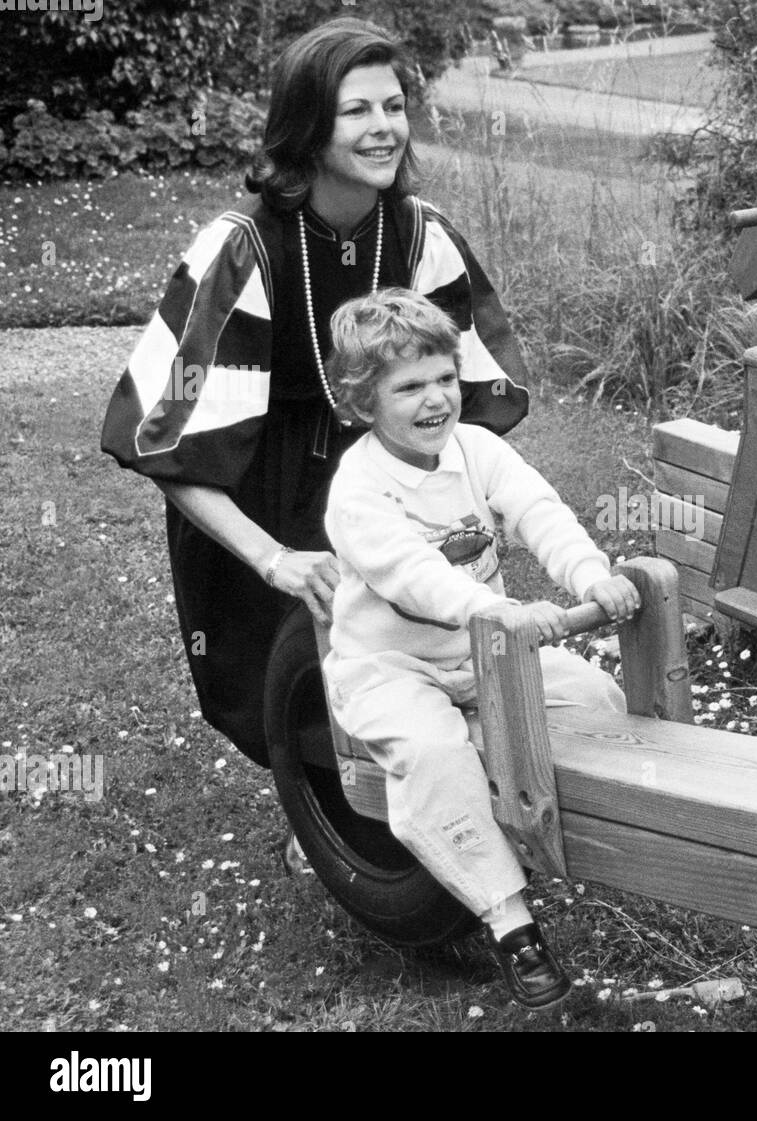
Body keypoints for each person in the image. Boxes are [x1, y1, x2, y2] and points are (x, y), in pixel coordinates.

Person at [100, 17, 530, 871]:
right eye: (355, 110)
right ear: (305, 124)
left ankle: (417, 812)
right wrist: (275, 561)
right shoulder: (242, 246)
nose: (384, 126)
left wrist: (451, 503)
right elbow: (166, 442)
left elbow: (471, 404)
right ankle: (330, 818)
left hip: (384, 472)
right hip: (259, 481)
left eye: (395, 105)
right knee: (289, 674)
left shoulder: (418, 235)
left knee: (426, 646)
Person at [320, 288, 638, 1009]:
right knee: (434, 757)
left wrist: (592, 575)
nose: (435, 400)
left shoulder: (479, 450)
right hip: (392, 665)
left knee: (597, 699)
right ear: (363, 402)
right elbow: (417, 575)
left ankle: (572, 835)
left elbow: (538, 513)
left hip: (481, 654)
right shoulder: (360, 490)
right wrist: (498, 610)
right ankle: (510, 918)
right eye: (409, 387)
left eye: (443, 378)